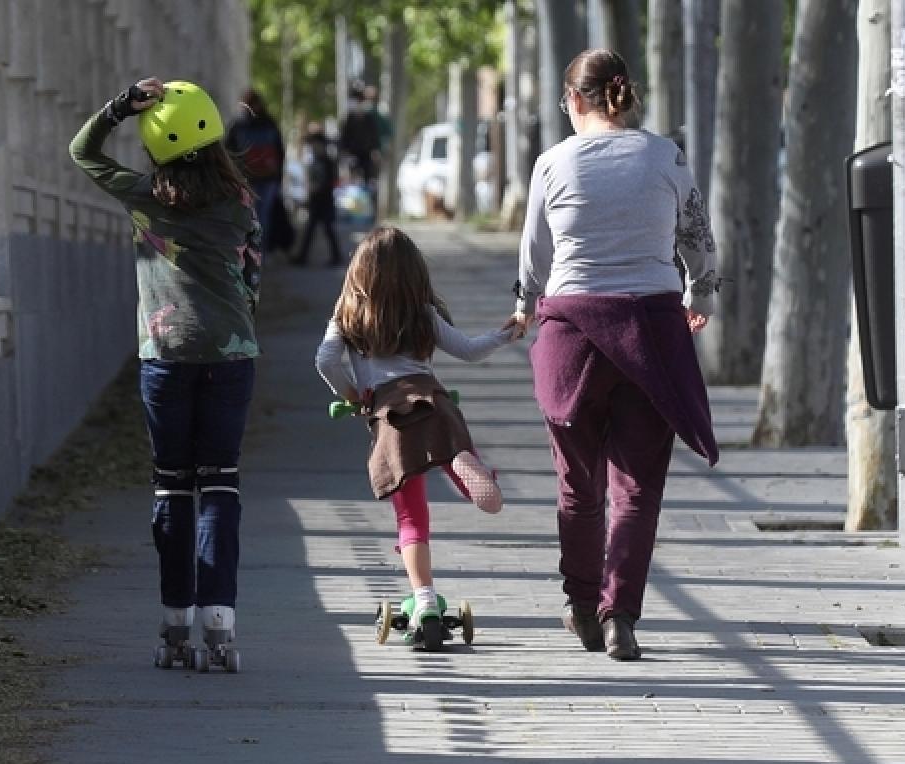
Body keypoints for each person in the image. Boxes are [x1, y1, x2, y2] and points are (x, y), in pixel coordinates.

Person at [510, 49, 721, 661]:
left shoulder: (552, 163)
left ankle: (579, 602)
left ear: (576, 100)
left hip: (572, 333)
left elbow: (535, 254)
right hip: (651, 329)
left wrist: (524, 306)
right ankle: (618, 615)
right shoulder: (665, 157)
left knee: (577, 484)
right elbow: (698, 237)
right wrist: (700, 292)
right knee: (637, 485)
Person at [69, 78, 261, 670]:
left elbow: (84, 152)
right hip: (231, 356)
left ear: (156, 145)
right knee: (220, 484)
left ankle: (176, 619)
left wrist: (119, 108)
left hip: (165, 355)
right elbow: (253, 279)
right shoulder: (240, 203)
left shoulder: (146, 194)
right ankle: (221, 621)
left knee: (174, 486)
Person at [316, 227, 516, 650]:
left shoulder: (348, 314)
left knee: (411, 518)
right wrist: (506, 334)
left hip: (391, 418)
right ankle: (472, 474)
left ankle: (424, 600)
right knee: (451, 448)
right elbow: (468, 349)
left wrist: (355, 396)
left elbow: (326, 360)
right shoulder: (422, 312)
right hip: (433, 401)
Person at [226, 88, 287, 254]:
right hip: (256, 180)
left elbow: (228, 153)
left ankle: (255, 252)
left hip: (256, 180)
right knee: (259, 218)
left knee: (255, 218)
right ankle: (257, 252)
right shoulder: (263, 124)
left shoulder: (239, 125)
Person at [292, 122, 343, 267]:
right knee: (311, 229)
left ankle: (336, 256)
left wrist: (319, 188)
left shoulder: (327, 161)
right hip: (316, 200)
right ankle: (302, 257)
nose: (314, 148)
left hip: (325, 200)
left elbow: (330, 181)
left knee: (328, 229)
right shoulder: (314, 161)